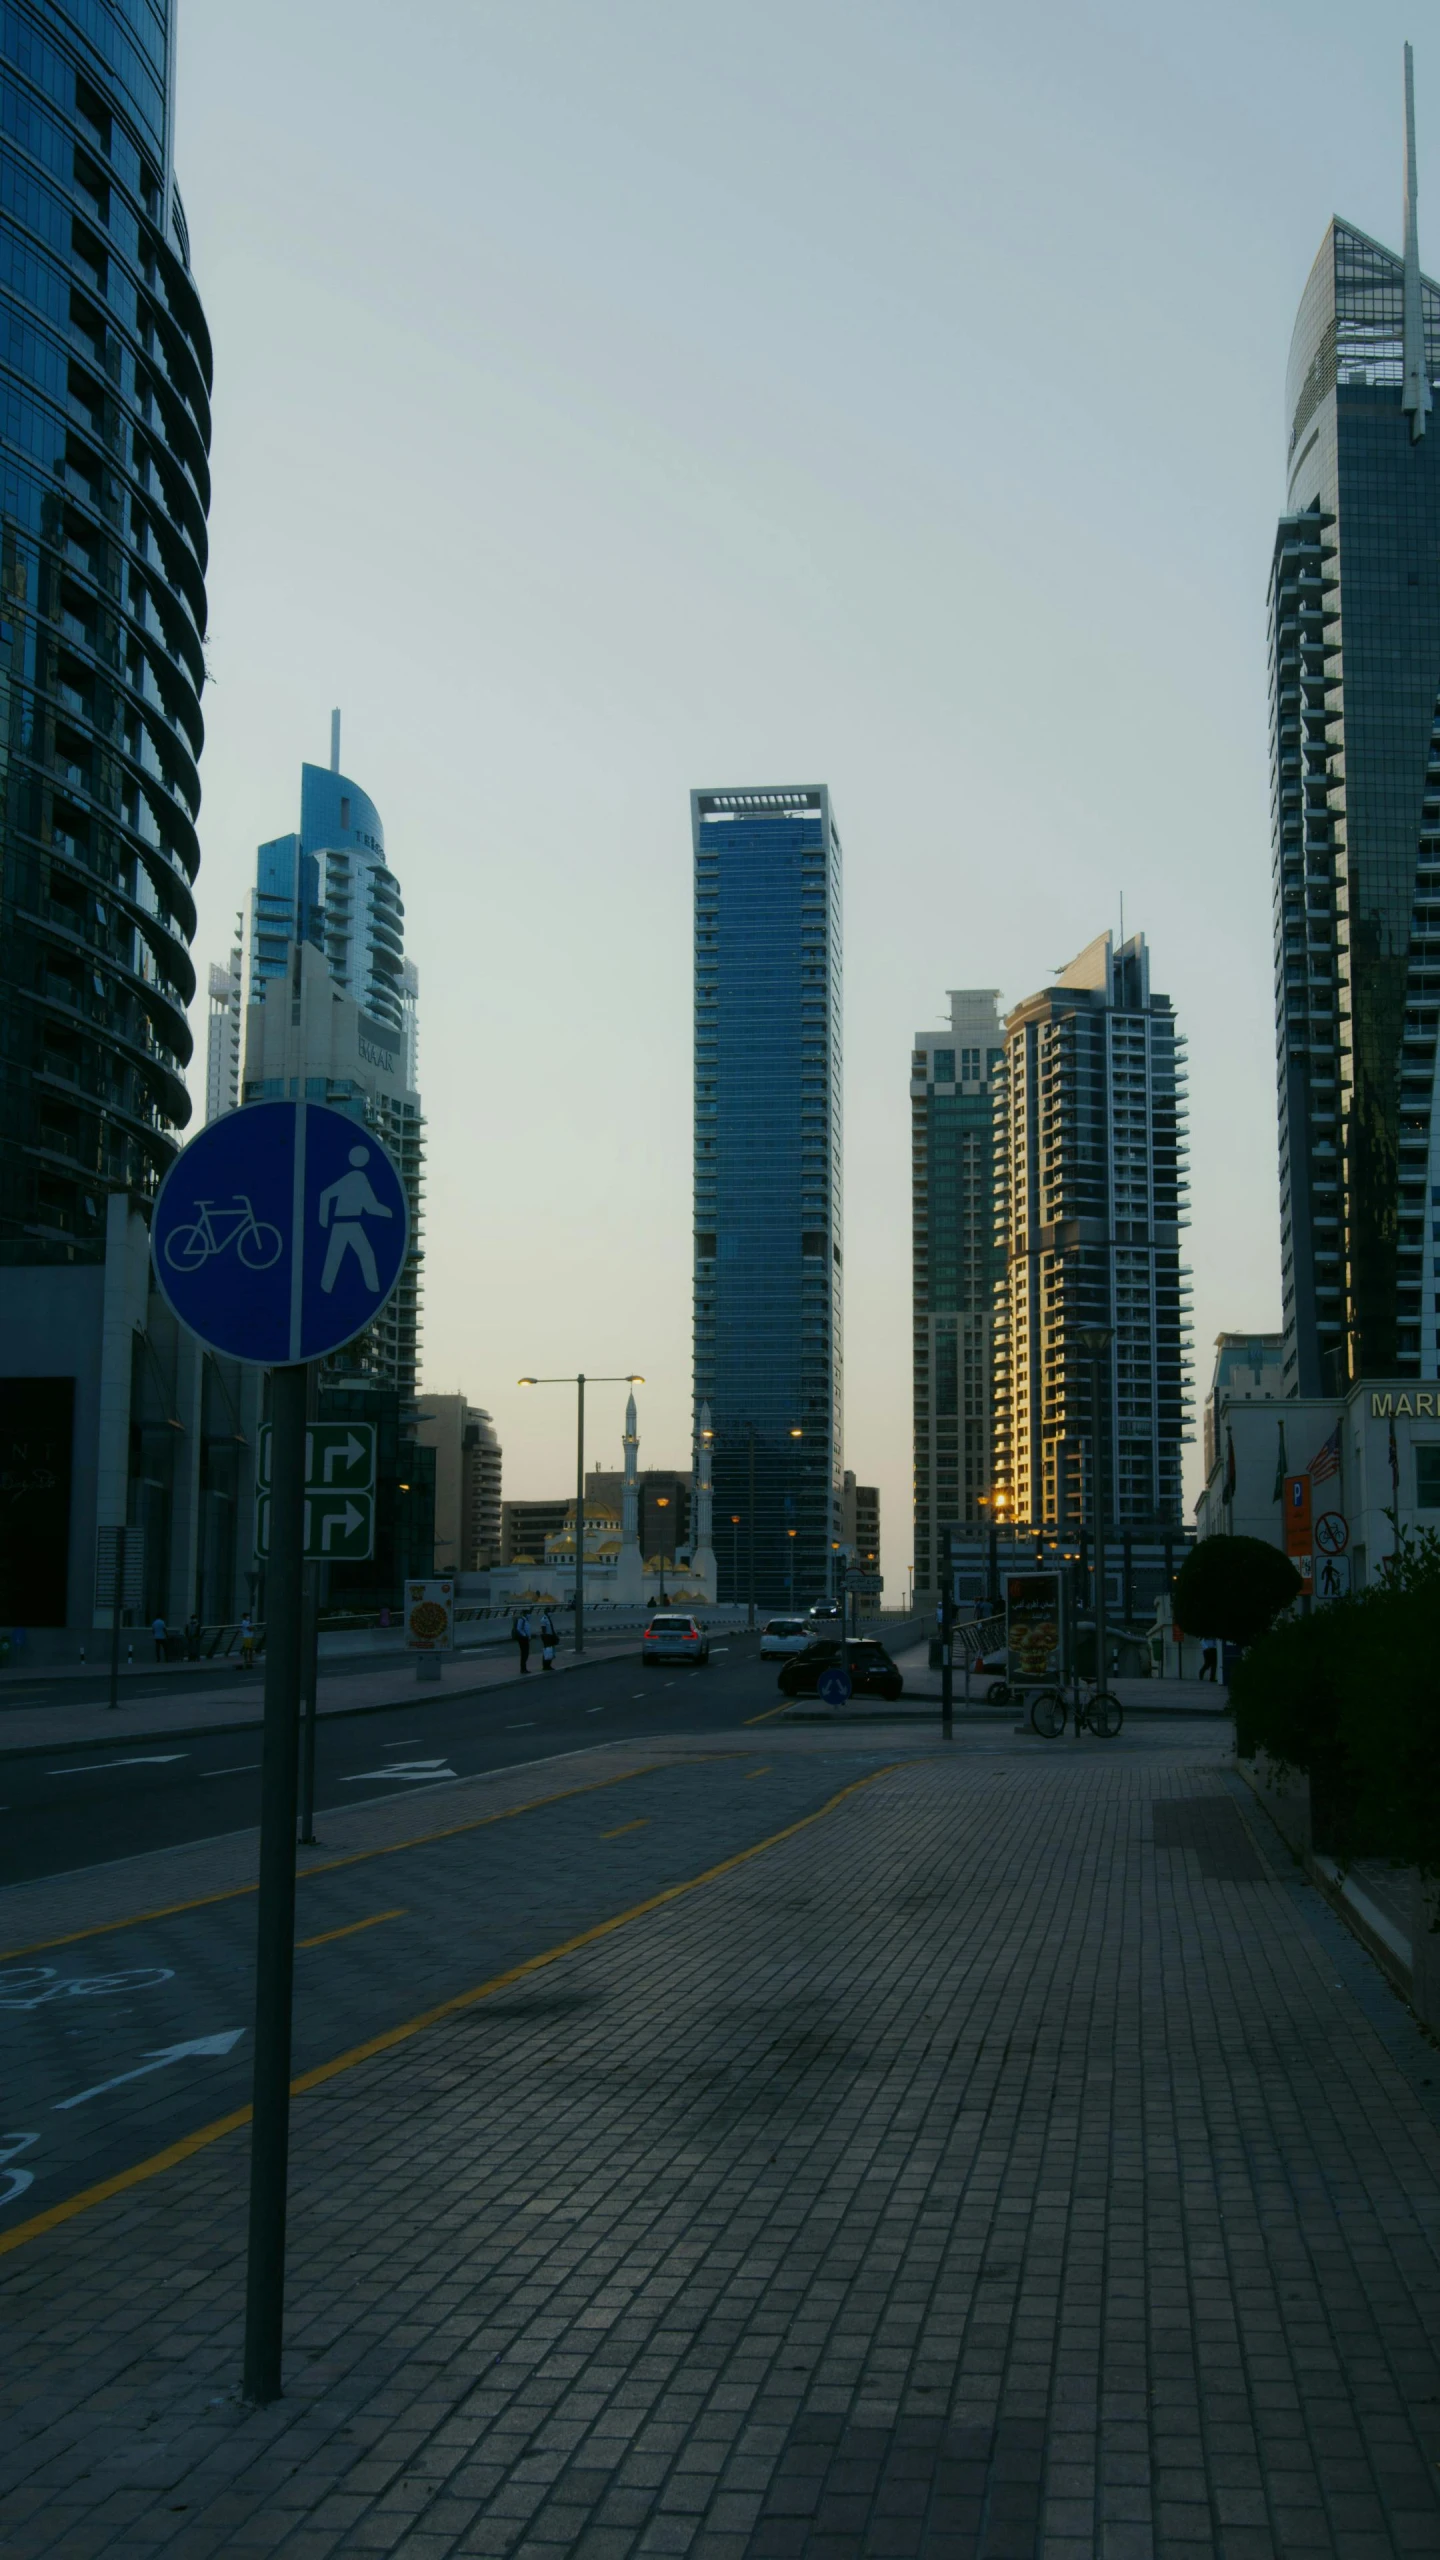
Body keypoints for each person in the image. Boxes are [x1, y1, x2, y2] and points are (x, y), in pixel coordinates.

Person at [512, 1608, 531, 1674]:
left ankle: (524, 1668)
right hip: (523, 1639)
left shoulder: (526, 1620)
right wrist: (524, 1635)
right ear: (524, 1614)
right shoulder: (521, 1619)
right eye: (528, 1613)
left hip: (526, 1638)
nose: (529, 1615)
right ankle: (523, 1669)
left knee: (526, 1653)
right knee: (524, 1653)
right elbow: (519, 1629)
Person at [540, 1607, 557, 1672]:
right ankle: (545, 1665)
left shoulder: (548, 1619)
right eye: (549, 1611)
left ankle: (548, 1665)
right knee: (547, 1651)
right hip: (547, 1637)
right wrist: (545, 1638)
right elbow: (543, 1630)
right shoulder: (544, 1619)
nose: (550, 1613)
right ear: (546, 1612)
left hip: (551, 1636)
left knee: (550, 1651)